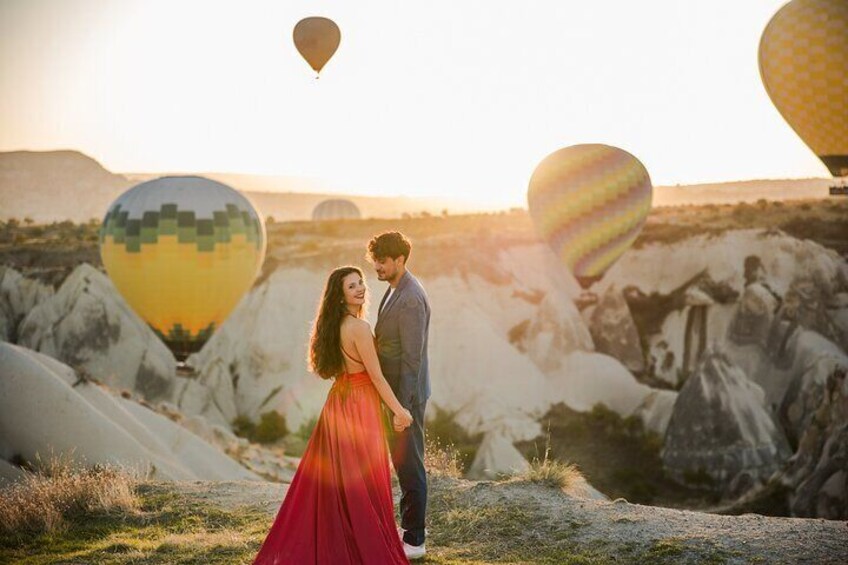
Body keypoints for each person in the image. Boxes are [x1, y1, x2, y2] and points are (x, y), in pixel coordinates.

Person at [253, 266, 412, 565]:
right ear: (340, 297)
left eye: (360, 283)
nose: (360, 289)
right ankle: (364, 544)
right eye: (351, 287)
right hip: (361, 405)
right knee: (365, 478)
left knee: (340, 481)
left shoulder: (334, 326)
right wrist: (400, 411)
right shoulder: (360, 329)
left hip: (338, 403)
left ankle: (344, 539)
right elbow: (377, 378)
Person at [368, 232, 431, 560]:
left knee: (409, 464)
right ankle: (409, 529)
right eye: (375, 259)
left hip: (405, 398)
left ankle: (415, 540)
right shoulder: (394, 290)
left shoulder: (409, 298)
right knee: (401, 461)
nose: (377, 265)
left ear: (400, 260)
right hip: (394, 395)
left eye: (383, 260)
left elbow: (412, 358)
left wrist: (401, 408)